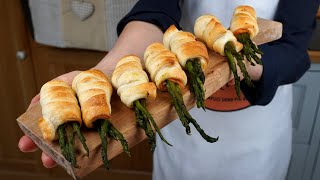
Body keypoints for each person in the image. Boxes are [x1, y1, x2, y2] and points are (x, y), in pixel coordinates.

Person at [18, 0, 319, 179]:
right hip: (180, 115)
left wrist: (236, 61)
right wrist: (109, 70)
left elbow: (295, 51)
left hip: (256, 130)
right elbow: (154, 10)